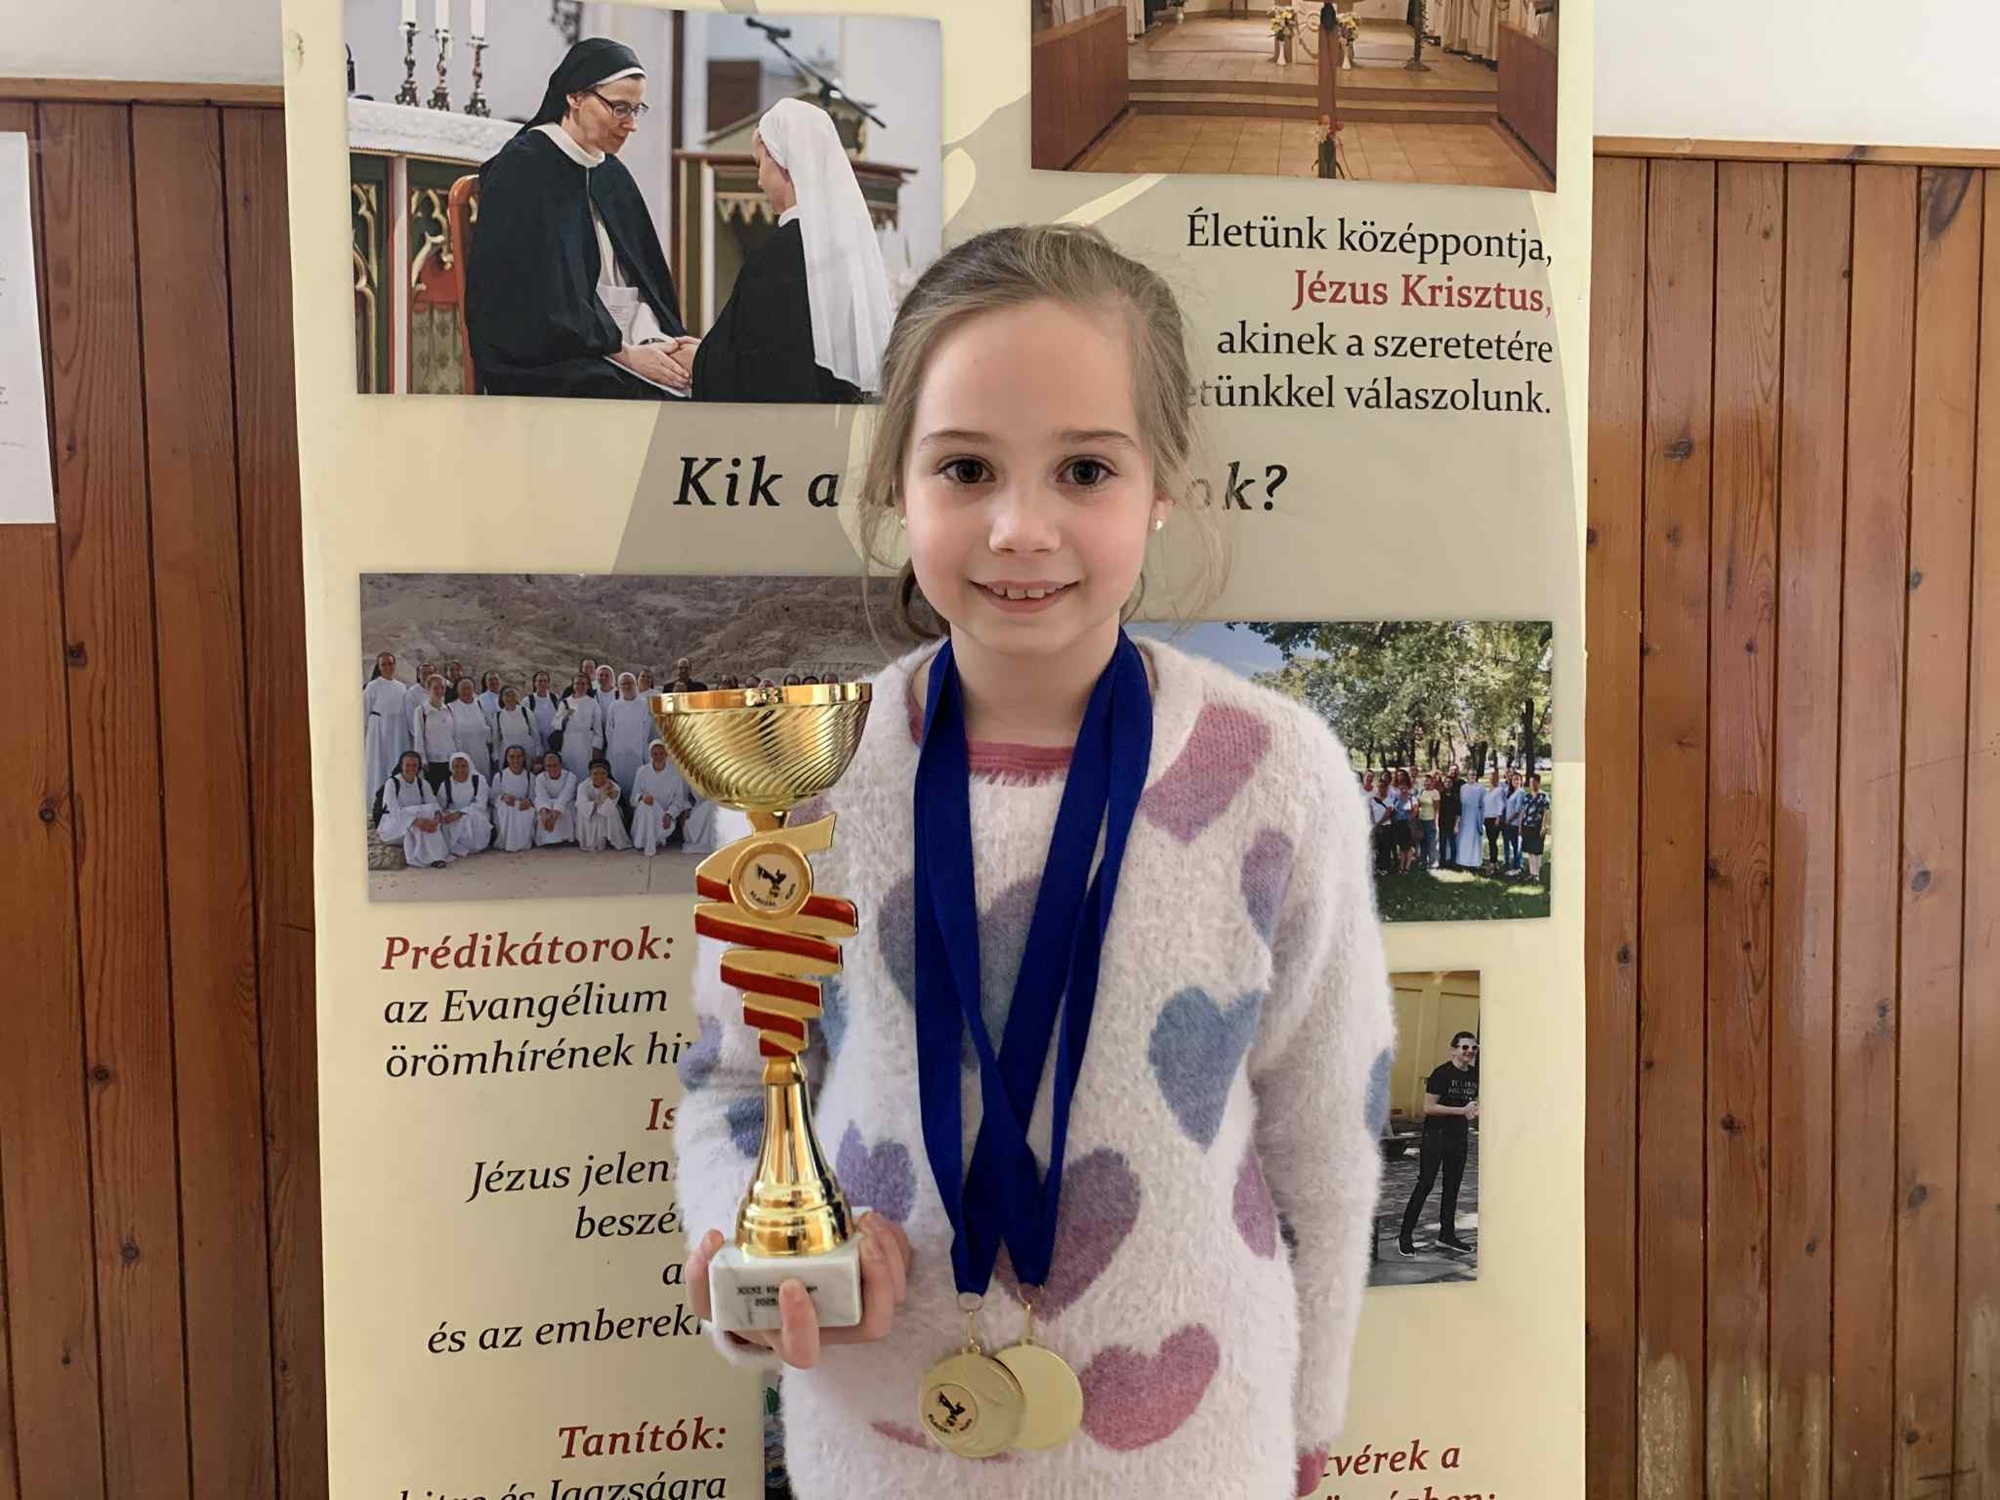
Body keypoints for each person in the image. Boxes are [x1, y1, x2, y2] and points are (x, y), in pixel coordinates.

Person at [675, 224, 1394, 1500]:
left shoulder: (1273, 776)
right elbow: (735, 1084)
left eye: (1083, 470)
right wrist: (756, 1253)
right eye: (965, 468)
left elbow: (1324, 1133)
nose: (1019, 527)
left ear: (1161, 484)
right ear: (896, 485)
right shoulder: (801, 782)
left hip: (1189, 1453)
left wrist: (1308, 1424)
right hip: (884, 1449)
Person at [465, 38, 693, 399]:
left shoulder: (611, 173)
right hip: (549, 357)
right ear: (574, 97)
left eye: (637, 110)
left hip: (621, 337)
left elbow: (644, 280)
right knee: (647, 400)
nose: (631, 124)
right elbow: (534, 301)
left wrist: (658, 340)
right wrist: (625, 354)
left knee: (707, 378)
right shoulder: (525, 166)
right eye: (619, 108)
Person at [690, 98, 894, 404]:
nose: (759, 180)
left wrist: (698, 360)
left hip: (787, 426)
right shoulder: (847, 253)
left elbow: (756, 369)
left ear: (783, 160)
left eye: (760, 164)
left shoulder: (777, 258)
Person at [1398, 1032, 1479, 1257]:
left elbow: (1472, 1103)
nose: (1469, 1052)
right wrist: (1461, 1111)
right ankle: (1405, 1236)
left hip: (1459, 1136)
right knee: (1425, 1184)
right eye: (1464, 1047)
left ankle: (1447, 1235)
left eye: (1474, 1048)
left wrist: (1474, 1110)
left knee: (1452, 1187)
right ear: (1454, 1050)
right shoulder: (1441, 1074)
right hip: (1436, 1135)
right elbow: (1429, 1107)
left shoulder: (1475, 1075)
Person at [374, 750, 451, 868]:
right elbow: (394, 811)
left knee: (427, 811)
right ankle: (429, 858)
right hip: (394, 825)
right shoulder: (392, 783)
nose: (411, 768)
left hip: (422, 823)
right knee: (416, 820)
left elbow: (433, 804)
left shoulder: (423, 783)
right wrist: (416, 822)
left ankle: (435, 857)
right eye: (408, 765)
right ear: (401, 766)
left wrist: (435, 819)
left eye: (414, 765)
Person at [363, 652, 412, 808]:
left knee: (395, 762)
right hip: (379, 732)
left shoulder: (401, 687)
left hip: (398, 732)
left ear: (394, 665)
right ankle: (377, 802)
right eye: (384, 664)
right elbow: (364, 711)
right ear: (379, 667)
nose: (387, 667)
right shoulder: (372, 686)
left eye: (390, 663)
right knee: (379, 765)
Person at [629, 739, 692, 856]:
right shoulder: (642, 772)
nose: (658, 757)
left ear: (666, 754)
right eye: (655, 754)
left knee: (650, 808)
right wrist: (642, 798)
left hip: (663, 817)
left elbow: (679, 801)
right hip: (644, 815)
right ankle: (646, 843)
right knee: (646, 806)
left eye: (661, 753)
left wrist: (669, 815)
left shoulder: (675, 773)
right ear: (650, 755)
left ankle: (650, 843)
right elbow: (633, 798)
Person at [603, 671, 656, 801]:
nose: (626, 686)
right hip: (618, 754)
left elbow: (648, 730)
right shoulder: (614, 706)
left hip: (638, 754)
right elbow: (609, 731)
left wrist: (643, 750)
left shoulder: (644, 705)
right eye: (623, 684)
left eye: (630, 683)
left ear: (635, 684)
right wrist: (613, 750)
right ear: (619, 686)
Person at [437, 752, 493, 858]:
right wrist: (445, 815)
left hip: (475, 812)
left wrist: (461, 813)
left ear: (469, 765)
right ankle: (457, 848)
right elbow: (441, 804)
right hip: (453, 813)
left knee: (469, 819)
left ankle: (475, 847)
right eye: (456, 767)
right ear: (451, 768)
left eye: (463, 766)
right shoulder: (446, 784)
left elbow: (481, 804)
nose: (460, 770)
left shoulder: (478, 780)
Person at [411, 675, 457, 790]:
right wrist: (422, 761)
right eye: (435, 687)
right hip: (432, 762)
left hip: (449, 760)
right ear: (428, 689)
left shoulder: (449, 710)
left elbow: (453, 736)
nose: (439, 691)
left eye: (442, 687)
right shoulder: (421, 711)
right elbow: (419, 738)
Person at [555, 673, 605, 780]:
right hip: (568, 744)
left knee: (585, 773)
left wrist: (597, 749)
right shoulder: (565, 702)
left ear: (588, 686)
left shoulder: (593, 703)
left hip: (586, 745)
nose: (580, 686)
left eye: (583, 684)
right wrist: (565, 717)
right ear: (573, 685)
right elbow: (555, 724)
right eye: (577, 683)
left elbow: (598, 730)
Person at [492, 745, 539, 853]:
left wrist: (529, 801)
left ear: (524, 758)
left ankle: (523, 843)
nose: (515, 760)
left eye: (519, 757)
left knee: (525, 812)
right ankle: (506, 843)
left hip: (524, 805)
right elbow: (493, 797)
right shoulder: (499, 776)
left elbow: (534, 797)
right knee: (507, 809)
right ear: (506, 758)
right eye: (512, 757)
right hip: (505, 806)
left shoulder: (530, 777)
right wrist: (504, 797)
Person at [575, 758, 630, 851]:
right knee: (583, 813)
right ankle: (590, 842)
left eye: (603, 773)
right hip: (589, 812)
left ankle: (611, 840)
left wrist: (604, 794)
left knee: (611, 811)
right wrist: (599, 800)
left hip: (605, 811)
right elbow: (582, 805)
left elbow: (605, 811)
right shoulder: (583, 786)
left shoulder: (614, 787)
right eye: (595, 773)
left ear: (607, 774)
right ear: (590, 774)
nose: (599, 776)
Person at [448, 678, 494, 775]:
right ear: (457, 690)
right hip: (462, 756)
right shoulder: (451, 708)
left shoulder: (481, 704)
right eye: (463, 689)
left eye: (469, 688)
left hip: (482, 754)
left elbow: (490, 726)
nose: (466, 692)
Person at [533, 751, 579, 846]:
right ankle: (546, 840)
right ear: (544, 766)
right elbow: (541, 795)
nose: (552, 769)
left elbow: (566, 795)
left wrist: (555, 813)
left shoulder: (570, 776)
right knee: (540, 806)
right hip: (547, 804)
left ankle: (566, 839)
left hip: (565, 803)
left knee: (565, 809)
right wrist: (544, 813)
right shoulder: (540, 777)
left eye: (555, 765)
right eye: (548, 766)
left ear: (560, 764)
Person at [494, 685, 540, 768]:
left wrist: (538, 754)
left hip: (527, 754)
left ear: (517, 697)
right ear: (502, 698)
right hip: (508, 756)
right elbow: (496, 739)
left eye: (512, 695)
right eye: (506, 695)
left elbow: (535, 734)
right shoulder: (498, 716)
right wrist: (496, 757)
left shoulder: (526, 712)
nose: (510, 698)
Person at [1519, 772, 1551, 883]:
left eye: (1534, 782)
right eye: (1530, 782)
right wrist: (1520, 826)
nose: (1532, 784)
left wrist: (1543, 826)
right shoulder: (1527, 797)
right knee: (1530, 851)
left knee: (1537, 851)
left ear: (1538, 782)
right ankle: (1532, 873)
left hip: (1538, 827)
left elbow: (1546, 813)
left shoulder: (1544, 796)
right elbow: (1523, 813)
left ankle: (1536, 874)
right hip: (1527, 826)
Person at [1453, 765, 1485, 870]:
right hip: (1464, 816)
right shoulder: (1463, 788)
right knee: (1463, 839)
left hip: (1475, 816)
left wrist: (1481, 819)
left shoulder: (1480, 788)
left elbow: (1482, 804)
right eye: (1470, 774)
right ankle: (1462, 861)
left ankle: (1474, 862)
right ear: (1467, 776)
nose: (1472, 776)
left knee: (1474, 840)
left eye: (1474, 775)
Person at [525, 671, 564, 751]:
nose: (542, 683)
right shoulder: (528, 701)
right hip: (536, 744)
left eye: (545, 681)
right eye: (540, 681)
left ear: (548, 683)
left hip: (553, 743)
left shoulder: (555, 698)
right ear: (535, 683)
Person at [1437, 764, 1462, 869]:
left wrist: (1456, 825)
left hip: (1452, 823)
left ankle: (1453, 862)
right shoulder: (1440, 795)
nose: (1447, 783)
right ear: (1444, 783)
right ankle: (1442, 862)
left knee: (1452, 844)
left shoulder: (1456, 796)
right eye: (1446, 782)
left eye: (1449, 782)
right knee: (1442, 843)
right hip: (1442, 823)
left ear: (1452, 784)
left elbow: (1458, 812)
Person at [1502, 768, 1526, 874]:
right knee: (1513, 846)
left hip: (1515, 824)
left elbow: (1518, 810)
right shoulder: (1512, 792)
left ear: (1521, 781)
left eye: (1517, 779)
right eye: (1514, 779)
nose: (1516, 781)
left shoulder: (1520, 792)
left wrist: (1509, 820)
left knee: (1516, 847)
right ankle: (1515, 866)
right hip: (1509, 823)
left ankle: (1517, 868)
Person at [1481, 765, 1504, 871]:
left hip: (1495, 818)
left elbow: (1500, 804)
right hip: (1487, 818)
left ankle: (1493, 862)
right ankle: (1493, 861)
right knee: (1490, 840)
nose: (1491, 779)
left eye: (1493, 778)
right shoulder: (1487, 790)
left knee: (1493, 841)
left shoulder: (1499, 790)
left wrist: (1498, 818)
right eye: (1490, 778)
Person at [1415, 772, 1440, 869]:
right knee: (1422, 841)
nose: (1426, 783)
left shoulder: (1435, 793)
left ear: (1432, 782)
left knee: (1431, 842)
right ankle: (1423, 861)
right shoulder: (1422, 791)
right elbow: (1418, 804)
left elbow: (1437, 809)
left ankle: (1433, 861)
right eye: (1425, 781)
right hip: (1421, 819)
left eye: (1428, 781)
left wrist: (1435, 822)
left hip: (1430, 820)